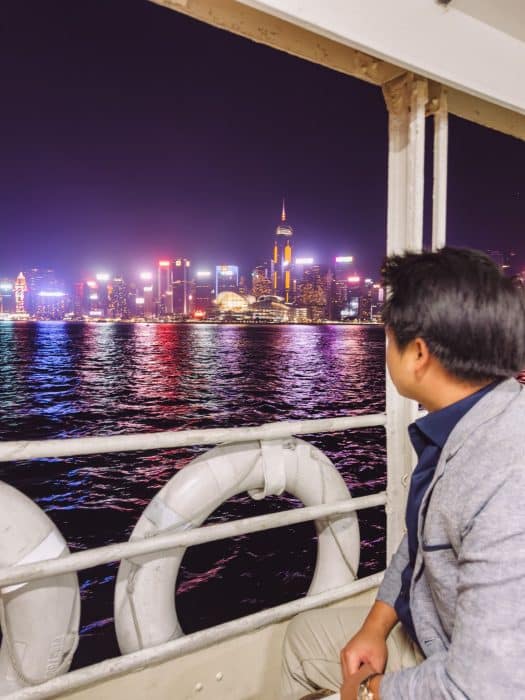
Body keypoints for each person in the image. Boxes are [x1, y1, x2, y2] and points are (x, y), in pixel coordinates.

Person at [282, 247, 525, 699]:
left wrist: (372, 691)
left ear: (417, 353)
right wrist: (375, 626)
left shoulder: (508, 476)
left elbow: (485, 688)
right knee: (304, 639)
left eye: (386, 336)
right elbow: (420, 542)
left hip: (466, 670)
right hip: (435, 631)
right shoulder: (464, 424)